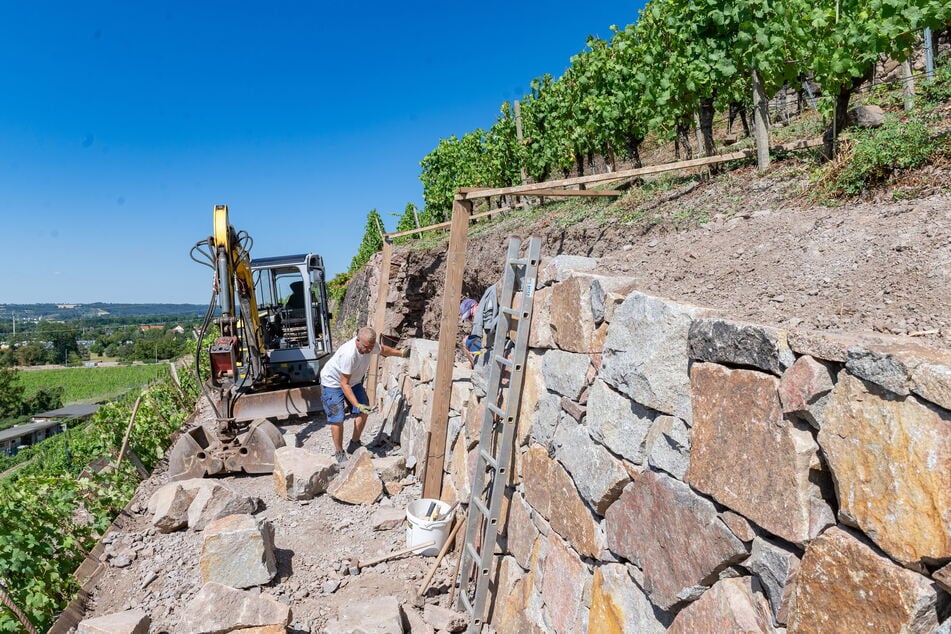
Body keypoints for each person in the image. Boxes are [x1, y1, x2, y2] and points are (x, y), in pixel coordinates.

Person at [319, 326, 409, 464]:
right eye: (366, 347)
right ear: (358, 340)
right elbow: (344, 384)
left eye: (371, 347)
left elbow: (384, 350)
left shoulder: (371, 346)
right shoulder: (349, 354)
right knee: (337, 418)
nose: (368, 350)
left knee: (364, 410)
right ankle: (339, 452)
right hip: (332, 383)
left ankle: (354, 443)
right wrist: (356, 405)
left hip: (353, 382)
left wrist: (401, 353)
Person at [460, 284, 499, 369]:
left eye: (470, 315)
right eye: (469, 318)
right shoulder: (480, 319)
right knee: (467, 342)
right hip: (489, 341)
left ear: (475, 305)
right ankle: (476, 366)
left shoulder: (483, 312)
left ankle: (476, 366)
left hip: (495, 338)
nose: (471, 318)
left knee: (466, 341)